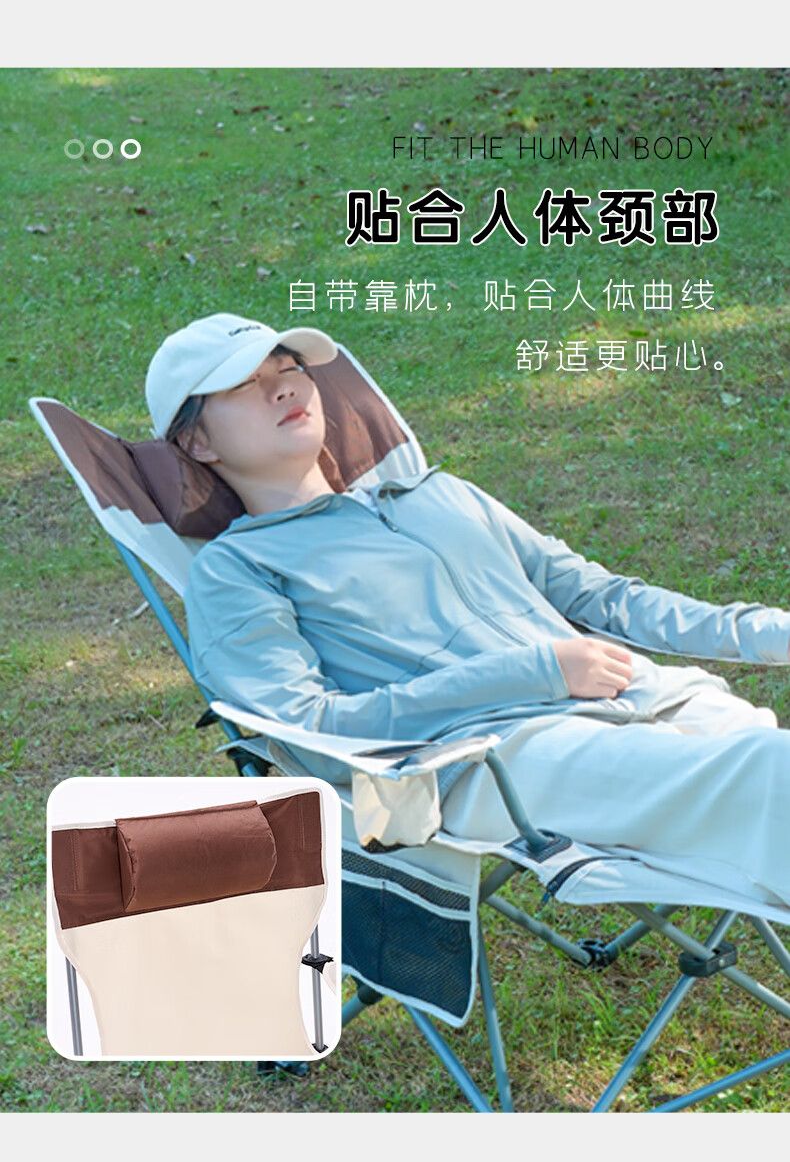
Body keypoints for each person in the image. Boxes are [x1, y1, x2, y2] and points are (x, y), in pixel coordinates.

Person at [145, 313, 790, 906]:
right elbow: (313, 732)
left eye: (290, 369)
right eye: (247, 383)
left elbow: (601, 596)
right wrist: (535, 673)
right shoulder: (236, 570)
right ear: (198, 441)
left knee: (767, 761)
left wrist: (765, 632)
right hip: (498, 759)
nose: (285, 387)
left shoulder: (438, 496)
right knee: (769, 771)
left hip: (648, 699)